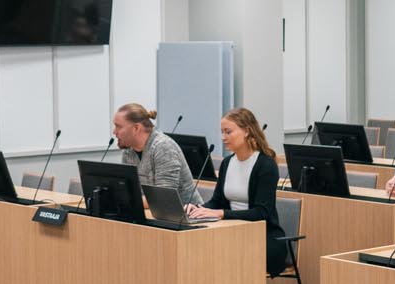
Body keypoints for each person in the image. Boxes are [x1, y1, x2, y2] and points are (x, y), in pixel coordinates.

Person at [185, 108, 287, 273]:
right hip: (232, 231)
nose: (223, 137)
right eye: (222, 132)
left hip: (264, 237)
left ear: (246, 131)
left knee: (218, 254)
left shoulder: (265, 165)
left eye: (228, 132)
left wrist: (221, 213)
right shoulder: (227, 163)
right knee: (198, 250)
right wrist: (198, 208)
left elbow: (262, 212)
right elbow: (217, 201)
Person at [113, 102, 200, 206]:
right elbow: (130, 190)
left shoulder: (164, 147)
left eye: (118, 127)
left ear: (136, 128)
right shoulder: (128, 151)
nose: (114, 132)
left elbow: (164, 198)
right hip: (152, 212)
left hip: (188, 213)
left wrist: (121, 201)